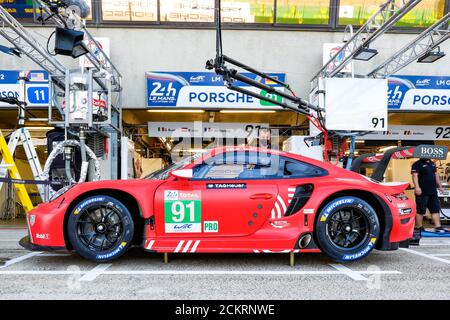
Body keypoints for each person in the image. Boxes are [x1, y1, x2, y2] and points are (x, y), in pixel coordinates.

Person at [411, 158, 446, 234]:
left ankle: (438, 226)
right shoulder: (417, 164)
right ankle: (418, 227)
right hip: (422, 191)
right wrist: (417, 187)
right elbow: (414, 175)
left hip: (433, 191)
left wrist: (440, 186)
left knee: (435, 209)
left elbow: (436, 175)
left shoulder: (432, 164)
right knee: (420, 209)